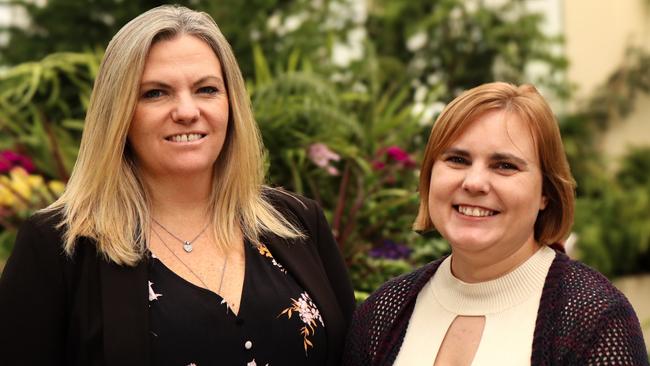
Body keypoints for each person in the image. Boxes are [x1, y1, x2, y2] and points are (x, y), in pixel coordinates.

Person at [0, 5, 354, 366]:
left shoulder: (297, 222)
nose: (186, 111)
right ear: (118, 112)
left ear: (232, 104)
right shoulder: (61, 248)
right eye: (155, 93)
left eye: (206, 89)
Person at [343, 82, 649, 365]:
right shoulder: (382, 313)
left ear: (546, 192)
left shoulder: (595, 318)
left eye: (505, 165)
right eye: (457, 160)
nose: (474, 182)